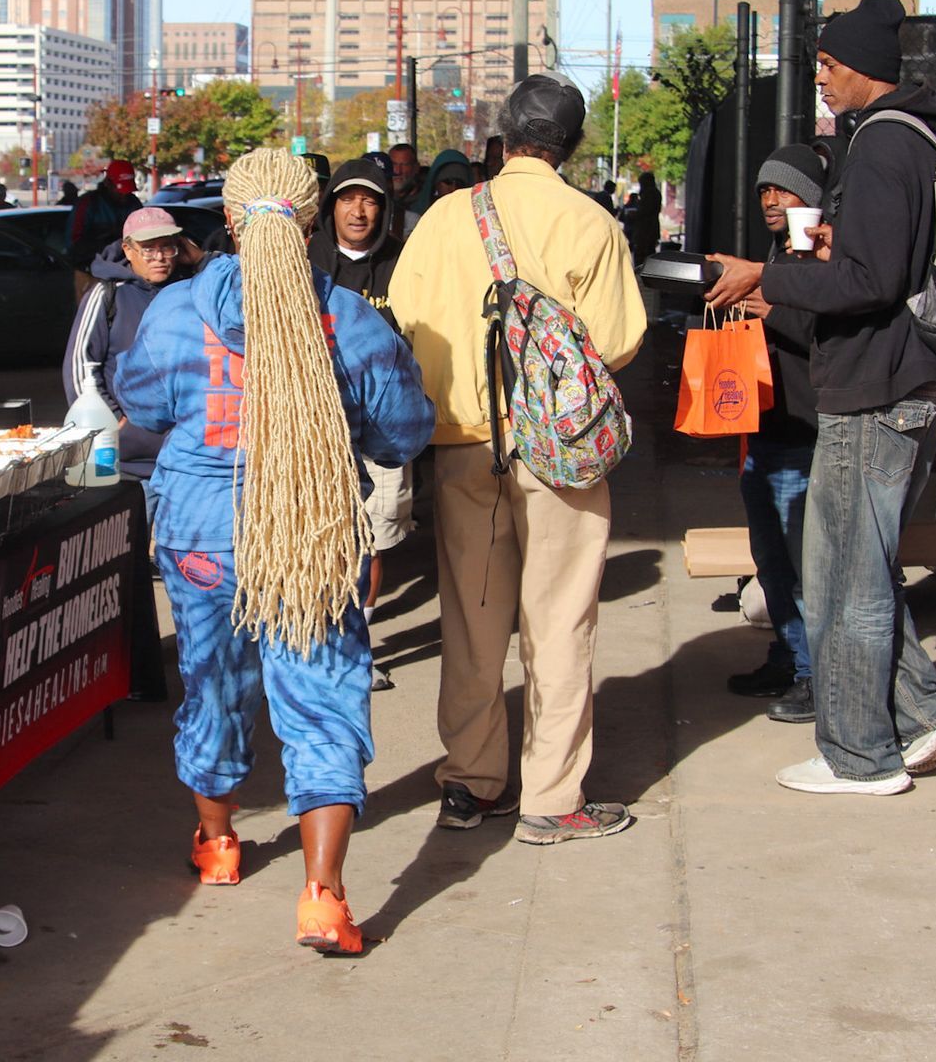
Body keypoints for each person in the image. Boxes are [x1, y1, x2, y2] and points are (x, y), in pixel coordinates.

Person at [114, 147, 433, 955]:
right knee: (324, 697)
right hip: (312, 539)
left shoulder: (177, 309)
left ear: (227, 219)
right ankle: (323, 894)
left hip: (198, 537)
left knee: (214, 681)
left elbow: (143, 403)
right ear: (313, 219)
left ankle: (218, 843)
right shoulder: (352, 320)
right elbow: (401, 437)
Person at [707, 0, 936, 795]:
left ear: (863, 68)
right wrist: (827, 247)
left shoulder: (886, 142)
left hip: (875, 386)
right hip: (895, 378)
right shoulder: (910, 135)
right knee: (851, 567)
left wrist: (770, 275)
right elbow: (878, 260)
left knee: (845, 580)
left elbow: (870, 281)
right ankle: (924, 712)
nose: (820, 78)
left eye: (827, 65)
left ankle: (860, 754)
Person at [388, 72, 646, 845]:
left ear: (502, 135)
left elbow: (405, 325)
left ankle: (471, 783)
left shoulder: (443, 219)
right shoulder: (589, 222)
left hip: (466, 446)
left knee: (471, 621)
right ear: (570, 144)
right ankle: (552, 796)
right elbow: (618, 340)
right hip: (560, 452)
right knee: (559, 620)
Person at [723, 145, 823, 723]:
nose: (770, 200)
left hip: (803, 433)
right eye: (763, 191)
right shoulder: (776, 255)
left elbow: (825, 332)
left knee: (801, 563)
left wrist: (769, 310)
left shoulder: (820, 253)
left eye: (781, 190)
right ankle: (788, 656)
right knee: (771, 559)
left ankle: (811, 674)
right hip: (764, 426)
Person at [307, 158, 410, 691]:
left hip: (384, 430)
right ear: (331, 207)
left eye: (370, 200)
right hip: (316, 430)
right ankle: (314, 642)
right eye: (347, 199)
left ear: (385, 209)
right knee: (320, 538)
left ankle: (358, 651)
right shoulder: (308, 261)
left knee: (373, 539)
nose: (359, 210)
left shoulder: (406, 263)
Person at [61, 206, 203, 491]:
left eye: (168, 247)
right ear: (128, 250)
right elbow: (79, 367)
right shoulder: (107, 294)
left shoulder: (194, 289)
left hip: (185, 463)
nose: (160, 257)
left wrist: (202, 260)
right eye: (149, 249)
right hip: (126, 464)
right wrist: (114, 424)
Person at [69, 160, 142, 297]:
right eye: (120, 190)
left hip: (127, 271)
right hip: (90, 271)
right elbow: (74, 242)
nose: (124, 196)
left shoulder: (134, 204)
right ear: (108, 183)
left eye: (127, 191)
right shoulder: (88, 204)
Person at [408, 149, 475, 236]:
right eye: (448, 182)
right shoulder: (414, 215)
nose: (454, 188)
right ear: (436, 184)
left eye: (459, 183)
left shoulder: (475, 218)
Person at [388, 142, 421, 223]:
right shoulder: (381, 200)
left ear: (416, 168)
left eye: (404, 165)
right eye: (393, 164)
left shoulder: (426, 201)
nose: (398, 171)